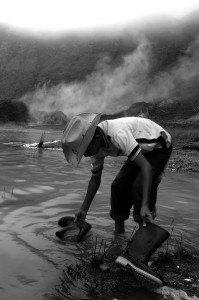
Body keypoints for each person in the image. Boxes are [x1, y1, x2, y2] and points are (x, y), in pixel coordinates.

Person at [61, 113, 172, 233]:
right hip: (141, 150)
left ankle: (145, 231)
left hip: (159, 146)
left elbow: (146, 168)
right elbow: (95, 179)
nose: (86, 155)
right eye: (82, 153)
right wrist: (83, 209)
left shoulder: (118, 135)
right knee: (118, 187)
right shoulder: (95, 149)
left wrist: (145, 205)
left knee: (140, 187)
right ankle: (119, 236)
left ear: (97, 139)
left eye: (86, 150)